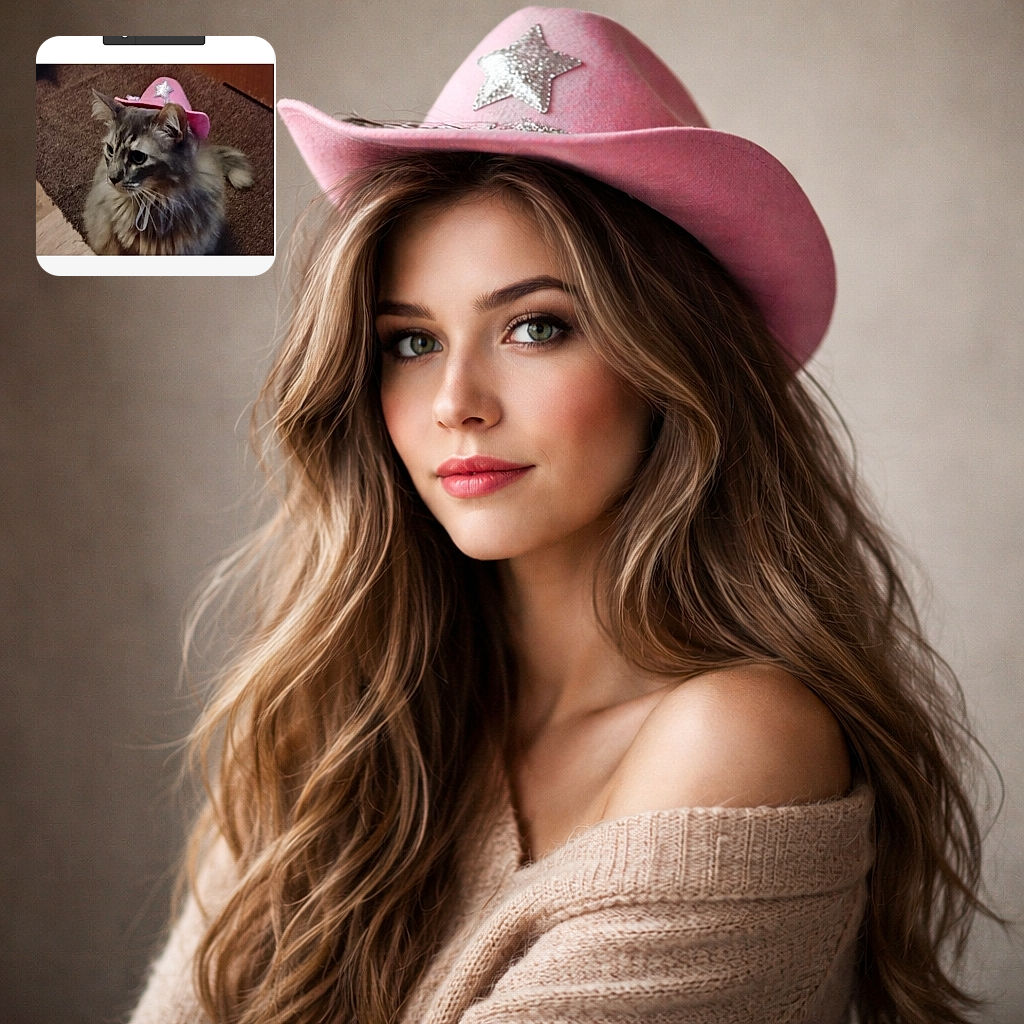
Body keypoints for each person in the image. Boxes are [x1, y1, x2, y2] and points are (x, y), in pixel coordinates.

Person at [128, 8, 993, 1023]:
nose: (456, 400)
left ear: (671, 364)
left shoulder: (740, 736)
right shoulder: (337, 722)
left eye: (535, 327)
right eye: (409, 342)